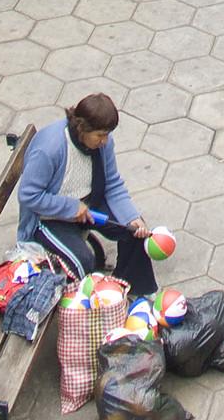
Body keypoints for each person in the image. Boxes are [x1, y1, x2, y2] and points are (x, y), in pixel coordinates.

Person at [16, 92, 157, 297]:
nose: (105, 141)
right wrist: (71, 207)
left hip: (90, 205)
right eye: (100, 135)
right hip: (48, 219)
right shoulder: (50, 148)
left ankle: (128, 288)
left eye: (107, 134)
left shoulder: (103, 143)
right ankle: (91, 303)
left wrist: (132, 217)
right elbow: (29, 195)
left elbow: (112, 183)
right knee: (83, 262)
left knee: (133, 231)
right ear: (82, 128)